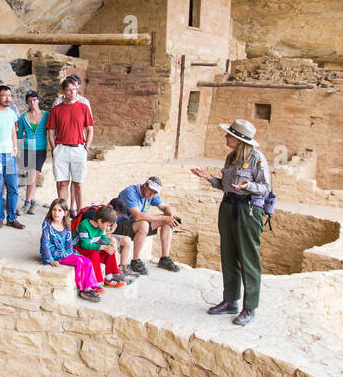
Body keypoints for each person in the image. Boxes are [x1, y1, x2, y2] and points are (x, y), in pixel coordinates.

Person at [192, 118, 272, 326]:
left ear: (238, 139)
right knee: (228, 254)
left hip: (247, 209)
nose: (226, 137)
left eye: (229, 135)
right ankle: (230, 301)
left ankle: (250, 307)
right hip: (228, 206)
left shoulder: (256, 159)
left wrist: (250, 186)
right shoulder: (231, 157)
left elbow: (265, 188)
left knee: (248, 257)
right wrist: (208, 177)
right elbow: (225, 185)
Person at [114, 176, 182, 275]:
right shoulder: (130, 192)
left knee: (167, 221)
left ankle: (165, 258)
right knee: (143, 224)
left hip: (134, 225)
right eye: (151, 191)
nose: (152, 195)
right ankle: (135, 261)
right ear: (145, 185)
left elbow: (165, 206)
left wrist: (170, 216)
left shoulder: (152, 194)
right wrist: (164, 217)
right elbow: (138, 216)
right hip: (119, 225)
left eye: (155, 193)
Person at [47, 76, 94, 214]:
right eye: (68, 90)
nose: (72, 92)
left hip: (79, 148)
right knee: (63, 183)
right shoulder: (57, 109)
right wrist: (54, 149)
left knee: (78, 184)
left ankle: (80, 214)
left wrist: (86, 147)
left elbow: (90, 128)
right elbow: (51, 131)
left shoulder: (84, 107)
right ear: (63, 92)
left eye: (74, 89)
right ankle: (64, 213)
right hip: (61, 148)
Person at [39, 198, 99, 302]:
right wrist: (50, 259)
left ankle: (90, 286)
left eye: (59, 210)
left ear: (65, 213)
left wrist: (70, 254)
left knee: (87, 260)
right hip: (53, 254)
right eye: (54, 210)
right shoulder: (47, 225)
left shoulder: (66, 224)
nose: (56, 213)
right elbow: (45, 244)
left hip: (64, 253)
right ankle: (83, 288)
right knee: (79, 262)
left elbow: (68, 242)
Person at [0, 84, 24, 230]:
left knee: (13, 188)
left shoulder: (12, 113)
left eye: (9, 95)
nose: (8, 98)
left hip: (9, 155)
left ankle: (12, 218)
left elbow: (14, 132)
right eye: (4, 95)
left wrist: (15, 148)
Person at [73, 204, 126, 288]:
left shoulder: (101, 227)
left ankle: (109, 278)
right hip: (78, 249)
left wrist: (108, 244)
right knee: (95, 253)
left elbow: (104, 238)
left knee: (109, 251)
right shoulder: (84, 225)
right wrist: (102, 247)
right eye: (107, 225)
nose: (108, 228)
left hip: (90, 247)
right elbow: (85, 245)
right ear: (100, 221)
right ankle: (95, 282)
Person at [17, 90, 48, 215]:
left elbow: (51, 130)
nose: (32, 102)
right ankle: (32, 201)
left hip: (41, 149)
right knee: (32, 176)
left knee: (33, 176)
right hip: (27, 148)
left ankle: (26, 204)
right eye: (29, 100)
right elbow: (19, 135)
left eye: (34, 99)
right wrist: (18, 149)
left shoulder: (47, 115)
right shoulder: (23, 117)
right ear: (27, 103)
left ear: (38, 100)